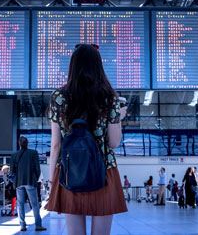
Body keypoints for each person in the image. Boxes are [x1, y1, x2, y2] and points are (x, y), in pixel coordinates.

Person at [45, 44, 127, 235]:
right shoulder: (109, 97)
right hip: (104, 171)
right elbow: (114, 143)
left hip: (69, 171)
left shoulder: (59, 96)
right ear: (98, 66)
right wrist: (118, 119)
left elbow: (56, 144)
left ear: (73, 66)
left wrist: (51, 180)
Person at [10, 136, 46, 232]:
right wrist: (35, 178)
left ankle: (22, 225)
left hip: (19, 182)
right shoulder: (33, 153)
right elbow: (38, 169)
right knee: (34, 204)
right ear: (27, 143)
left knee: (20, 204)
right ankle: (38, 225)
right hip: (30, 181)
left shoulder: (15, 155)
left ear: (19, 144)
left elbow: (11, 171)